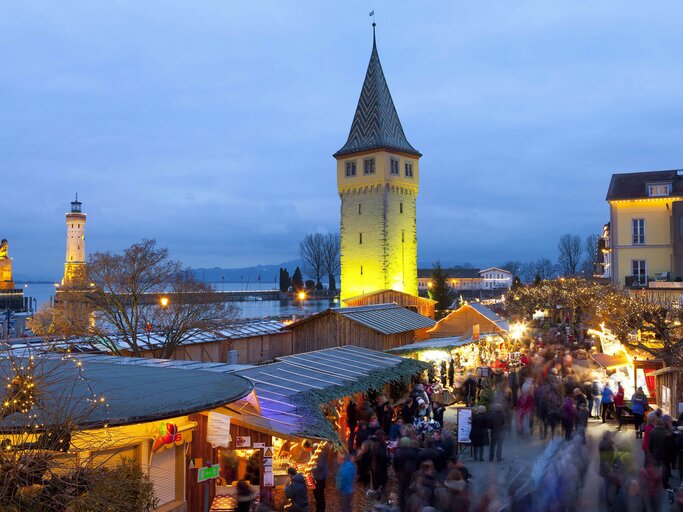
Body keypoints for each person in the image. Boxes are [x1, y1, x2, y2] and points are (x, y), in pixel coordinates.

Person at [311, 445, 328, 512]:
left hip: (320, 477)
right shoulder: (318, 453)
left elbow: (319, 466)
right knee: (317, 494)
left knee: (319, 494)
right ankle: (319, 508)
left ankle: (321, 509)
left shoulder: (320, 454)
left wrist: (311, 469)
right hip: (318, 476)